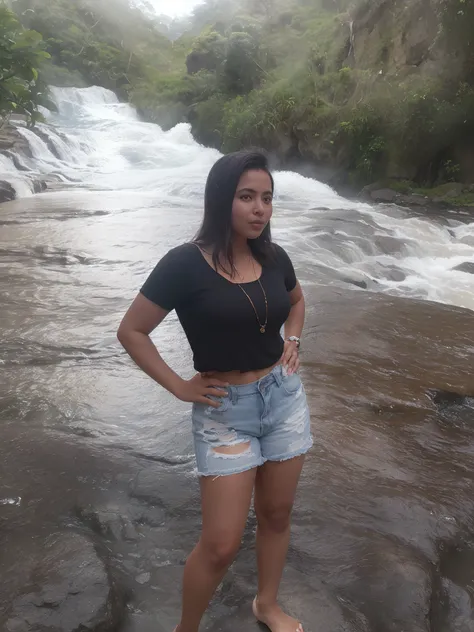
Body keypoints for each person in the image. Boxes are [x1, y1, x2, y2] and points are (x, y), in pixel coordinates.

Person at [117, 150, 313, 632]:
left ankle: (266, 604)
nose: (259, 209)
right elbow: (132, 331)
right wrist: (180, 387)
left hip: (283, 397)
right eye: (247, 196)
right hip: (225, 410)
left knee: (276, 513)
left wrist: (293, 339)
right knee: (221, 543)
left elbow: (297, 300)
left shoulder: (273, 256)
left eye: (267, 198)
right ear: (221, 197)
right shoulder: (184, 264)